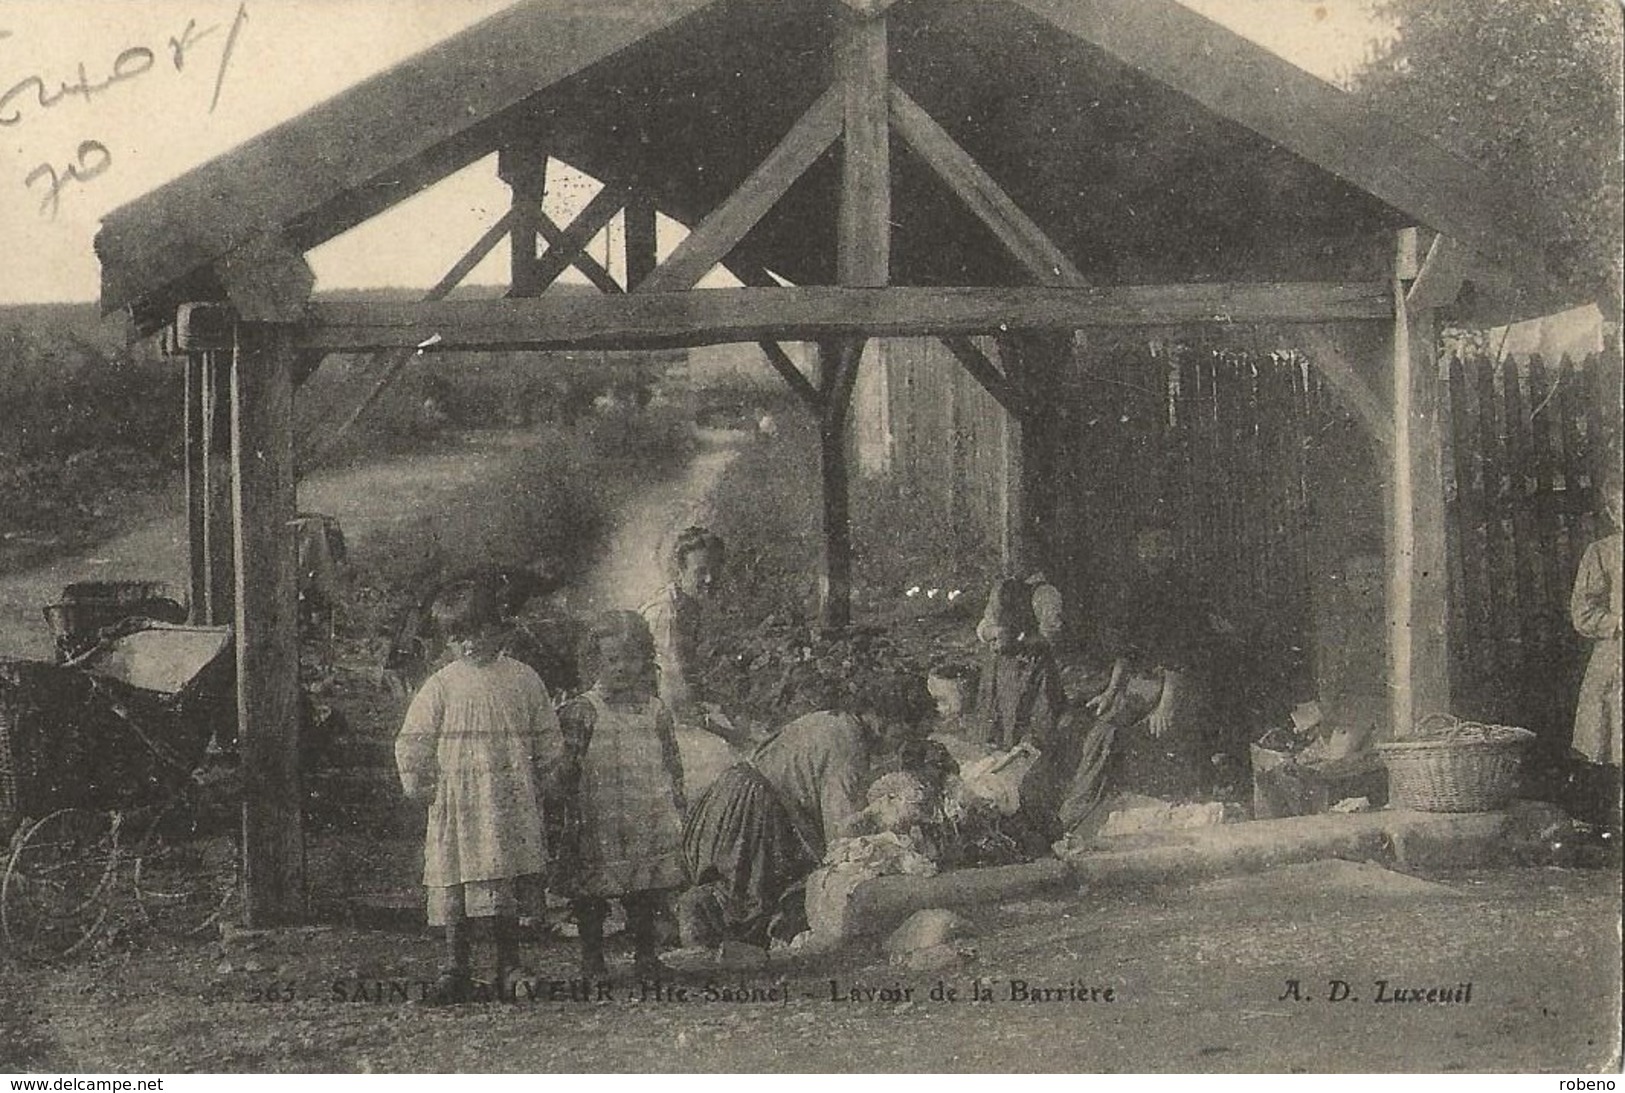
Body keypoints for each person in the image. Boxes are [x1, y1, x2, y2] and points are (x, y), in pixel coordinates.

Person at [675, 670, 934, 950]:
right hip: (755, 811)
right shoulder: (850, 743)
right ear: (886, 721)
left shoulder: (830, 719)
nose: (900, 743)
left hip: (732, 794)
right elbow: (840, 828)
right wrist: (882, 817)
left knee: (742, 885)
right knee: (748, 896)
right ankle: (700, 914)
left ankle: (701, 915)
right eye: (903, 733)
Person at [394, 581, 558, 1003]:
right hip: (459, 801)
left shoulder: (523, 679)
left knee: (503, 880)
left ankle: (509, 964)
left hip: (507, 797)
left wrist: (545, 774)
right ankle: (455, 966)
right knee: (455, 881)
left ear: (499, 628)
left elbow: (546, 734)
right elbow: (413, 738)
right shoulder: (442, 685)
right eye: (456, 635)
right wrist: (418, 781)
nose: (468, 643)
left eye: (477, 631)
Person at [549, 611, 688, 981]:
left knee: (645, 889)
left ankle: (646, 956)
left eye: (631, 658)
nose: (622, 668)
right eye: (612, 660)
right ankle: (592, 958)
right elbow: (568, 766)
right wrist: (565, 807)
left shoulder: (656, 710)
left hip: (645, 812)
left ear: (645, 659)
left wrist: (677, 803)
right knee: (592, 894)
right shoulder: (583, 710)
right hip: (598, 816)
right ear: (595, 661)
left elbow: (671, 761)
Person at [1570, 473, 1622, 822]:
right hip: (1617, 656)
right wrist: (1617, 622)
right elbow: (1583, 612)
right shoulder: (1602, 553)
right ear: (1614, 513)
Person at [971, 574, 1066, 749]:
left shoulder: (1044, 593)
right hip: (1002, 666)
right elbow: (984, 626)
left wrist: (1019, 641)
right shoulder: (1001, 588)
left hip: (1032, 665)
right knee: (999, 710)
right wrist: (996, 632)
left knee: (1034, 715)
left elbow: (1051, 636)